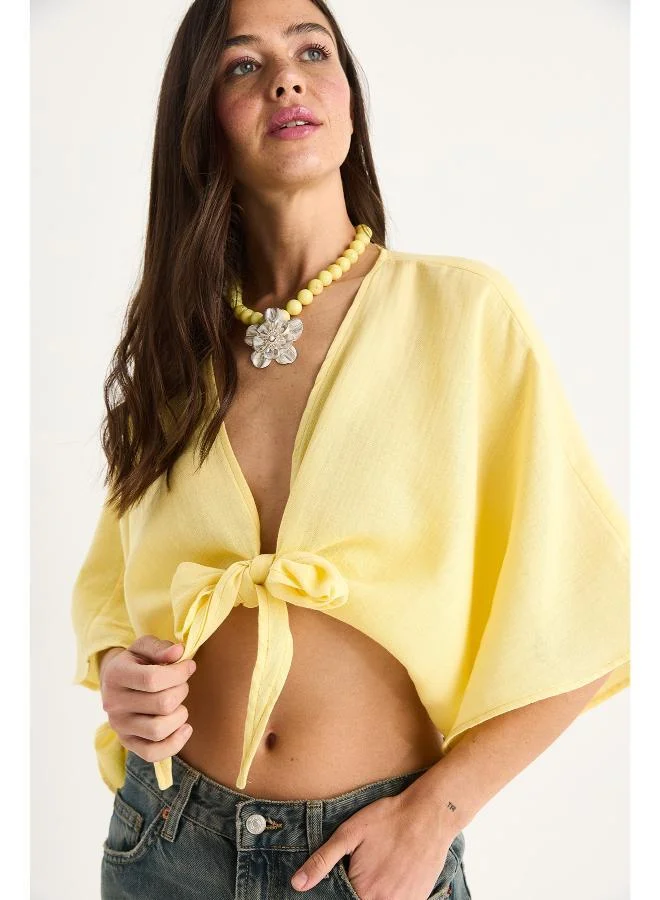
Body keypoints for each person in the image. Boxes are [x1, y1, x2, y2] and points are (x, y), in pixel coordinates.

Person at [70, 0, 630, 898]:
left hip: (366, 858)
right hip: (165, 837)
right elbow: (111, 592)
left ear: (348, 96)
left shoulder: (462, 315)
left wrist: (436, 813)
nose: (286, 80)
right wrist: (121, 680)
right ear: (200, 118)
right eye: (242, 65)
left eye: (312, 51)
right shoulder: (178, 349)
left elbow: (598, 605)